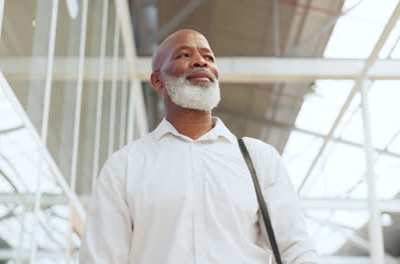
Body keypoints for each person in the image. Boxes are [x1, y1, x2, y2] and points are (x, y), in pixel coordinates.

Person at [79, 29, 317, 264]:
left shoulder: (258, 158)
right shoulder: (126, 165)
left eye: (209, 57)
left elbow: (296, 248)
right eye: (183, 55)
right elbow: (101, 257)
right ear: (157, 79)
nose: (201, 61)